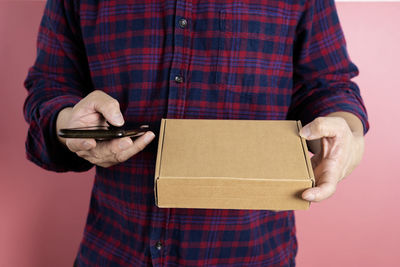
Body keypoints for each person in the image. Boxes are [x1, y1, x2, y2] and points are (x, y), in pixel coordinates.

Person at [23, 0, 369, 266]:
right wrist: (67, 123)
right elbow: (51, 84)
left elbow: (328, 85)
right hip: (114, 248)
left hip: (252, 252)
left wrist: (347, 133)